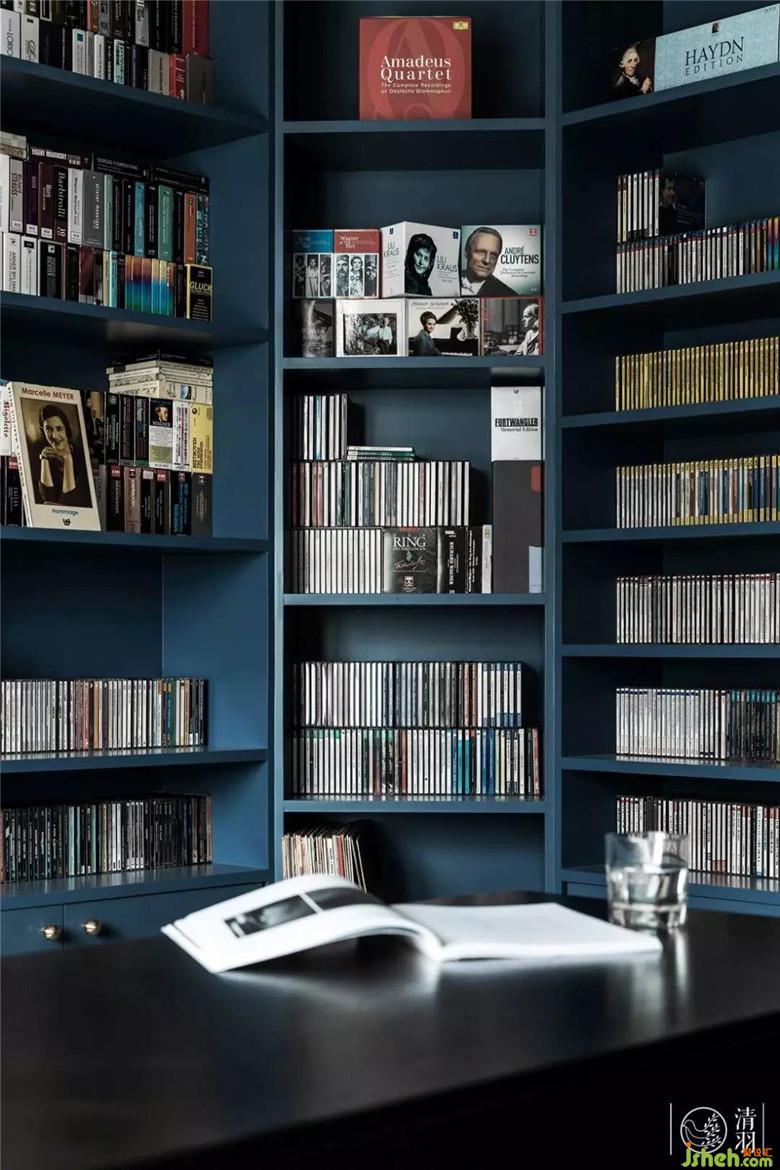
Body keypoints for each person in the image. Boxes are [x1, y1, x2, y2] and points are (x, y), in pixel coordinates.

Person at [30, 403, 92, 507]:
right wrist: (44, 458)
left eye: (59, 429)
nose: (54, 436)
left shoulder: (83, 457)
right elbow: (48, 501)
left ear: (66, 429)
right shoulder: (40, 455)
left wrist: (67, 459)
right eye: (48, 429)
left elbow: (70, 503)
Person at [460, 227, 515, 296]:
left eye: (493, 255)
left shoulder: (509, 295)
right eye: (481, 252)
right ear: (467, 253)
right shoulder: (449, 279)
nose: (487, 260)